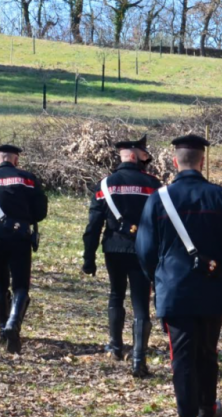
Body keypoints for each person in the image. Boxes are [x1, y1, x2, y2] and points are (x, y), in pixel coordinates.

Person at [136, 134, 222, 417]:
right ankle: (205, 411)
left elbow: (144, 251)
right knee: (208, 353)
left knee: (182, 359)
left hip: (175, 292)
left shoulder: (158, 200)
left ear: (175, 162)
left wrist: (158, 281)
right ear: (202, 161)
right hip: (213, 291)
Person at [82, 135, 161, 378]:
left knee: (116, 294)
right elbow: (162, 222)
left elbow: (94, 224)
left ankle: (115, 346)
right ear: (137, 155)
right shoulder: (153, 184)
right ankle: (139, 357)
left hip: (114, 247)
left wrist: (89, 256)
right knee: (140, 302)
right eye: (145, 153)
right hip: (143, 249)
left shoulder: (105, 184)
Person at [0, 145, 48, 354]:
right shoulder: (27, 179)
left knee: (0, 282)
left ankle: (3, 329)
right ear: (16, 160)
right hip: (20, 236)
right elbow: (41, 211)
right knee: (21, 284)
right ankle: (14, 324)